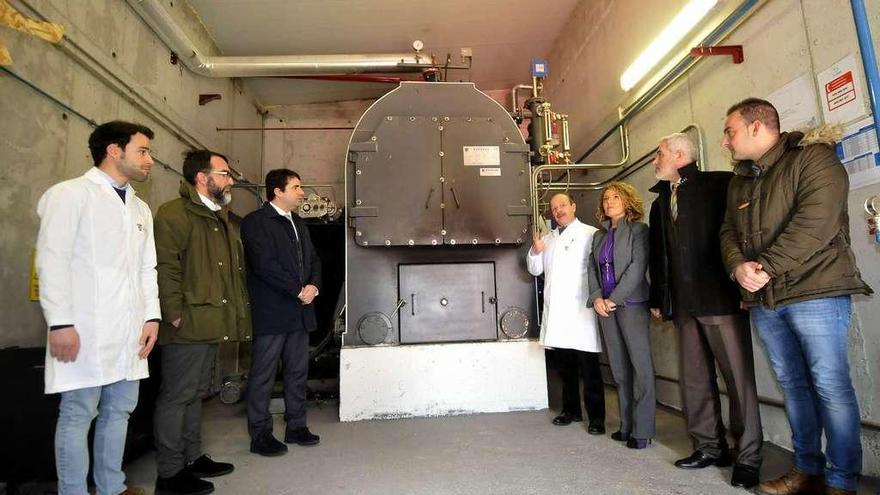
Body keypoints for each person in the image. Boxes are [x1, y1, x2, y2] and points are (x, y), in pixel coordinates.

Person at [719, 98, 872, 495]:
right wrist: (738, 267)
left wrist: (765, 266)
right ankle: (806, 469)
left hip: (815, 291)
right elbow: (728, 234)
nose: (725, 141)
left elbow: (815, 224)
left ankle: (841, 481)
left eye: (730, 130)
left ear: (757, 126)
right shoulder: (741, 178)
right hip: (766, 298)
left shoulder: (813, 160)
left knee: (830, 385)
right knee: (793, 385)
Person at [36, 120, 159, 495]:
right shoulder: (70, 195)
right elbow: (51, 261)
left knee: (119, 412)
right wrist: (60, 322)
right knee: (77, 415)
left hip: (130, 331)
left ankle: (112, 486)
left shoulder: (140, 208)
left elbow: (146, 268)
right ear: (113, 150)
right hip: (83, 329)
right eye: (143, 150)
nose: (150, 160)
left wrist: (151, 315)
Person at [648, 133, 762, 488]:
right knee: (695, 380)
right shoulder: (661, 200)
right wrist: (659, 299)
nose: (655, 159)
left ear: (680, 154)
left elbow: (740, 234)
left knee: (738, 381)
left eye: (660, 153)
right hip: (683, 304)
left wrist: (745, 282)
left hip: (720, 298)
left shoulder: (720, 185)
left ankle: (748, 456)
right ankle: (709, 447)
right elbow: (660, 254)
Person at [153, 150, 252, 495]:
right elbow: (167, 267)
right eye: (224, 173)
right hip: (187, 321)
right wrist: (173, 312)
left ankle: (192, 458)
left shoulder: (217, 216)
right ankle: (168, 473)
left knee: (196, 393)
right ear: (202, 177)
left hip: (212, 319)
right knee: (177, 395)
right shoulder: (174, 214)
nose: (231, 180)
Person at [241, 169, 322, 456]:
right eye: (297, 187)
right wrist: (297, 290)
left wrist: (313, 285)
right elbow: (264, 265)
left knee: (298, 372)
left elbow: (313, 259)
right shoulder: (256, 223)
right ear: (278, 191)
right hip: (272, 313)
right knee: (263, 375)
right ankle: (260, 434)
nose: (302, 193)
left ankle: (296, 426)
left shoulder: (299, 223)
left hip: (300, 313)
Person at [527, 193, 606, 434]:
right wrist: (535, 250)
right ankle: (571, 410)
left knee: (589, 367)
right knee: (565, 367)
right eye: (554, 208)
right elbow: (534, 269)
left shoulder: (590, 234)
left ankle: (596, 418)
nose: (558, 210)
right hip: (559, 312)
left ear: (573, 206)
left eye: (563, 205)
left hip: (582, 310)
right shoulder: (547, 239)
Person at [588, 182, 655, 449]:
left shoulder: (639, 230)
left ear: (627, 201)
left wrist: (613, 299)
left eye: (615, 197)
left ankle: (643, 429)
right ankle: (626, 426)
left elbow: (637, 268)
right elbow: (591, 270)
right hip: (604, 307)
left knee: (640, 368)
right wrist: (596, 299)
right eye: (605, 198)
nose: (609, 202)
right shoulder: (598, 236)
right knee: (618, 369)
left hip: (631, 304)